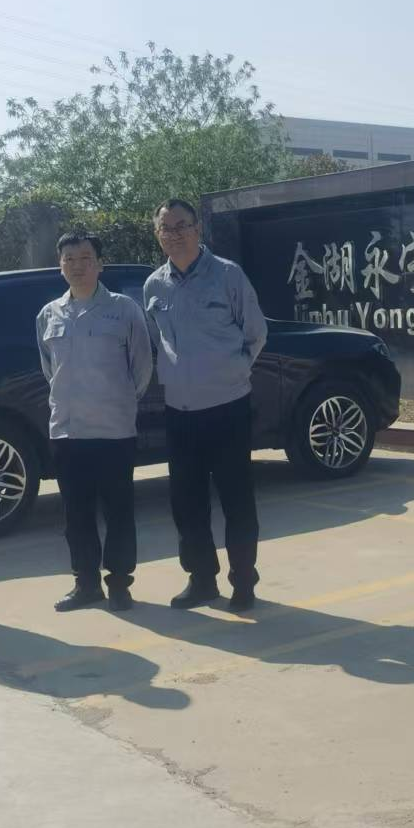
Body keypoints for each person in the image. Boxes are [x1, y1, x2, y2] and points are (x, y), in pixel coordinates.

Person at [142, 198, 267, 612]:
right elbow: (156, 341)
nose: (175, 234)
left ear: (198, 229)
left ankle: (243, 581)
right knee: (187, 503)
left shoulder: (228, 275)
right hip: (180, 412)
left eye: (182, 225)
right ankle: (201, 580)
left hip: (227, 407)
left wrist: (232, 372)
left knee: (236, 500)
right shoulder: (154, 286)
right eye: (166, 228)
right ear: (158, 235)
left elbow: (255, 333)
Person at [37, 231, 153, 613]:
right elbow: (49, 369)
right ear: (60, 266)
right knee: (77, 515)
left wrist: (120, 402)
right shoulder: (48, 314)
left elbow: (142, 367)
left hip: (113, 431)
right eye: (69, 259)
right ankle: (85, 584)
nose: (77, 266)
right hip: (67, 432)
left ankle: (119, 584)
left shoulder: (124, 310)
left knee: (118, 512)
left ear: (100, 264)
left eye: (86, 258)